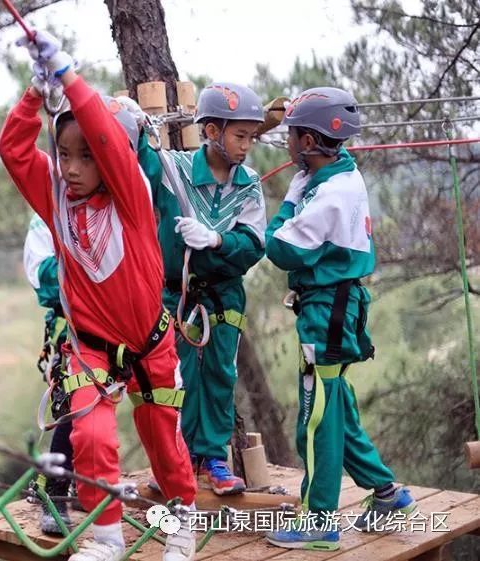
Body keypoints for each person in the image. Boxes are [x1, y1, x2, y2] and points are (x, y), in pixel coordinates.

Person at [0, 29, 197, 561]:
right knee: (88, 436)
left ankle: (181, 524)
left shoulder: (132, 196)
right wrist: (36, 95)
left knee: (163, 444)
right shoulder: (55, 197)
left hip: (151, 344)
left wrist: (68, 76)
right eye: (63, 155)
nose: (71, 168)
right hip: (90, 347)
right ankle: (106, 537)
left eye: (85, 157)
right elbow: (13, 149)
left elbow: (107, 139)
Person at [263, 87, 416, 551]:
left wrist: (291, 192)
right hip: (335, 305)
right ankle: (387, 494)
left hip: (327, 309)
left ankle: (320, 520)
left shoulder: (329, 192)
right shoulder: (341, 175)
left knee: (316, 415)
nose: (287, 142)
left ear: (310, 141)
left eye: (293, 134)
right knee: (336, 406)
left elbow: (279, 247)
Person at [121, 84, 267, 496]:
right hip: (176, 294)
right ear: (210, 131)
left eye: (251, 137)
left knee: (220, 374)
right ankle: (178, 458)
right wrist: (130, 124)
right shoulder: (173, 172)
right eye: (240, 135)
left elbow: (254, 245)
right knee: (175, 377)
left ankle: (214, 458)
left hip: (223, 295)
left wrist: (218, 242)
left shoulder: (249, 185)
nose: (246, 146)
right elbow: (139, 163)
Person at [23, 213, 73, 535]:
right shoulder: (45, 219)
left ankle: (83, 483)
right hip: (70, 326)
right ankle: (54, 490)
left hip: (114, 324)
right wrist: (85, 268)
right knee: (72, 407)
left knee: (100, 408)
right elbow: (43, 279)